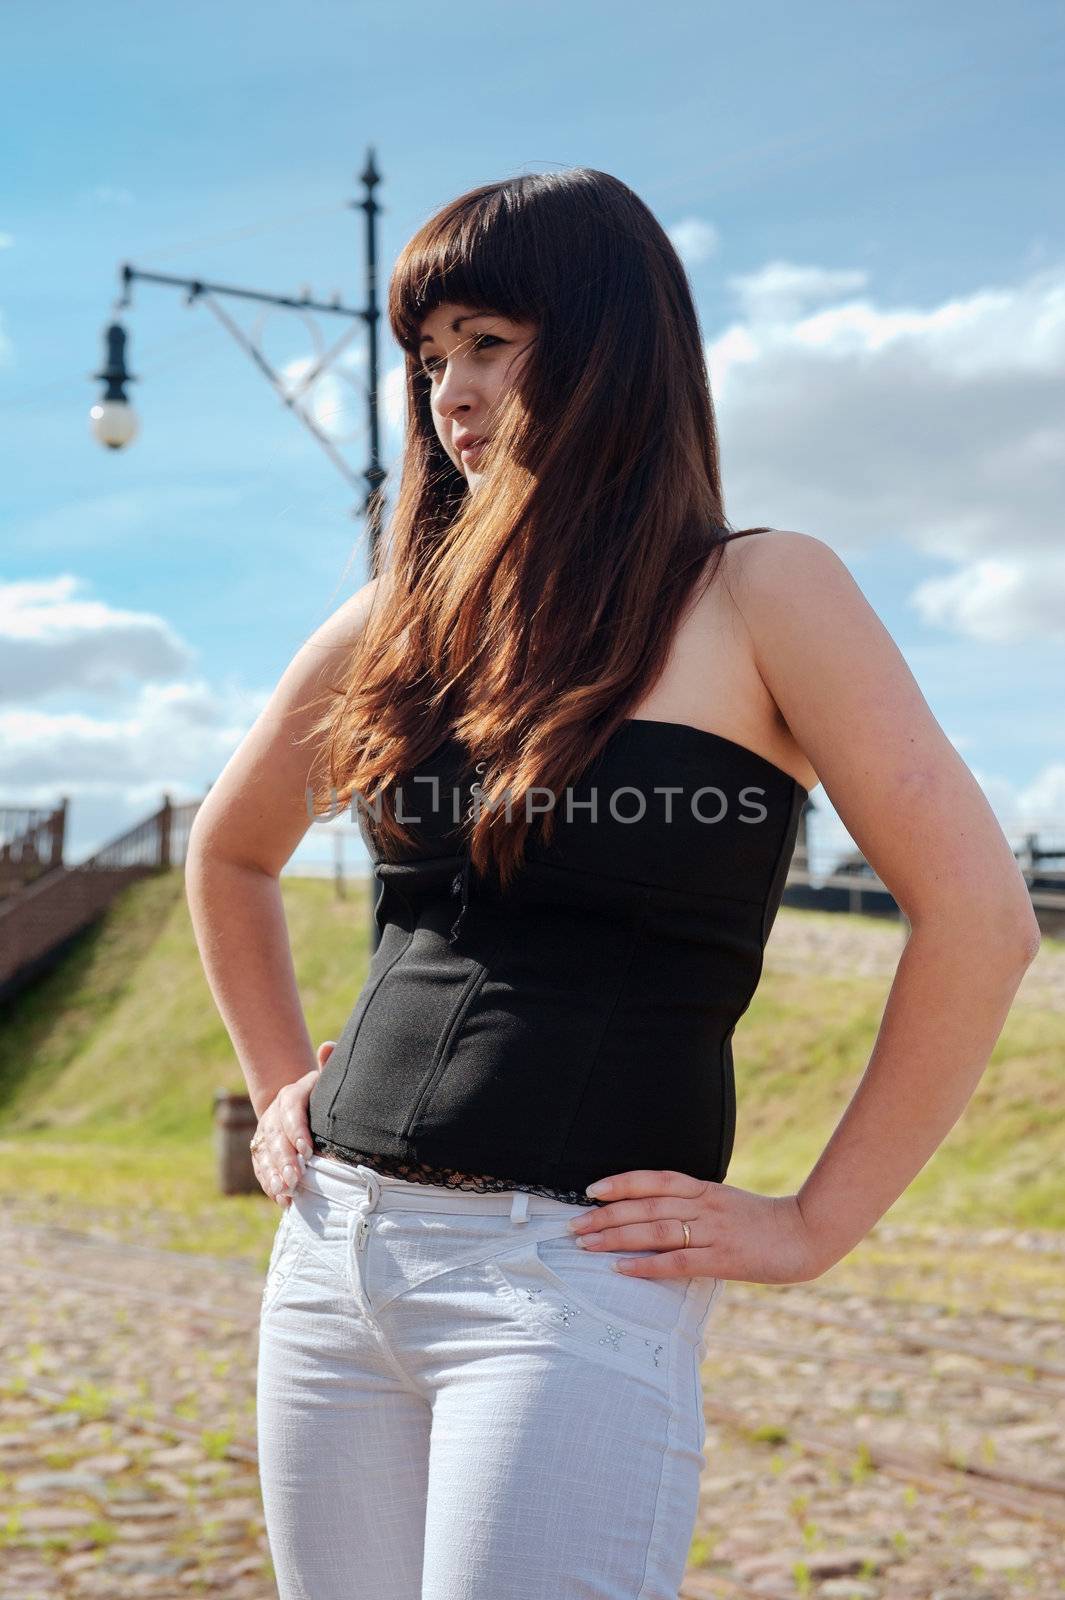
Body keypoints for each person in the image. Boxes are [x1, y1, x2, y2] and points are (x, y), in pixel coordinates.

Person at [185, 168, 1041, 1600]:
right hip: (334, 1260)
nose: (449, 389)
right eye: (427, 353)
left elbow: (978, 919)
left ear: (607, 342)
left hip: (566, 1283)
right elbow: (228, 851)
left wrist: (815, 1223)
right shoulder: (393, 616)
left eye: (488, 340)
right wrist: (280, 1078)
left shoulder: (763, 592)